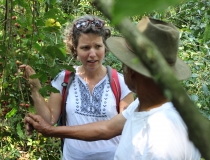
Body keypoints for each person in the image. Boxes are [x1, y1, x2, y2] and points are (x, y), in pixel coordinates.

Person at [24, 16, 201, 159]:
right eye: (85, 47)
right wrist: (49, 128)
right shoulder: (143, 108)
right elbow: (107, 128)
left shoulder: (158, 142)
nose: (92, 53)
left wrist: (50, 131)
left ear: (132, 71)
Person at [21, 14, 134, 160]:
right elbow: (49, 120)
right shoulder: (65, 79)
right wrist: (35, 89)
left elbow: (125, 126)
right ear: (75, 49)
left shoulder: (120, 82)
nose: (92, 54)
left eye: (98, 46)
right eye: (85, 47)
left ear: (105, 48)